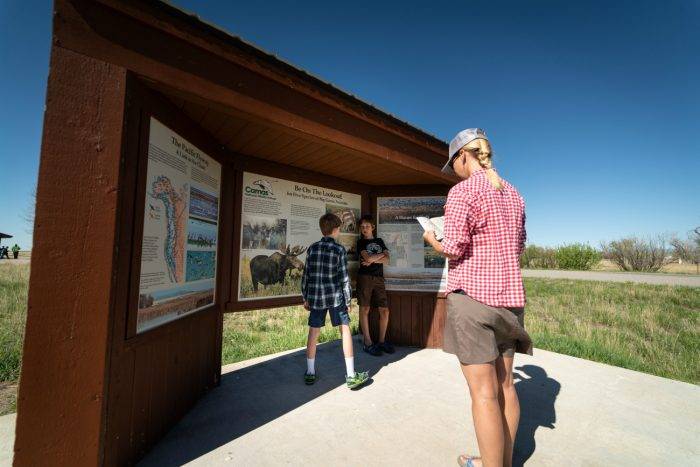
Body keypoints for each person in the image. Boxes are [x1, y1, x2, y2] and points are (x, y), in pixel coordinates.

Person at [423, 128, 532, 467]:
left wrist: (431, 239)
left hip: (472, 299)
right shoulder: (514, 193)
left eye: (452, 163)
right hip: (510, 301)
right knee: (506, 388)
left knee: (483, 393)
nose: (452, 170)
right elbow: (519, 244)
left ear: (463, 157)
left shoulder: (461, 192)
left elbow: (453, 249)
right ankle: (499, 462)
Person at [301, 213, 370, 389]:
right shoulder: (339, 250)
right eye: (339, 228)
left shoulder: (312, 248)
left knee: (313, 332)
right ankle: (351, 375)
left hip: (316, 297)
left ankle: (310, 372)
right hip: (335, 298)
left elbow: (306, 276)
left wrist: (305, 297)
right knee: (345, 330)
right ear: (335, 229)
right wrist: (347, 300)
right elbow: (344, 278)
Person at [355, 215, 394, 356]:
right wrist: (379, 256)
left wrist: (373, 259)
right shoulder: (360, 243)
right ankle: (368, 342)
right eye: (362, 227)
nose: (364, 229)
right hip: (365, 278)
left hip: (379, 279)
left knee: (384, 310)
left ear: (373, 227)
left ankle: (382, 341)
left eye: (367, 226)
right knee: (365, 308)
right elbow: (367, 258)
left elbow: (388, 259)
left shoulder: (379, 241)